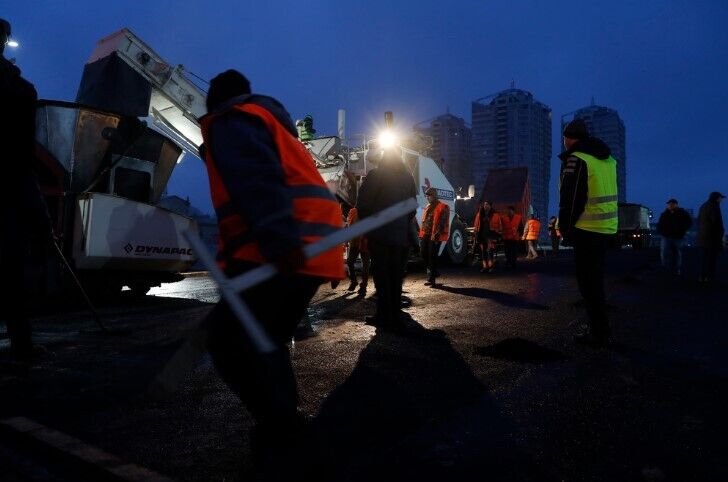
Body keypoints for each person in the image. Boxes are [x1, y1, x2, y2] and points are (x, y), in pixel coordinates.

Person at [199, 69, 344, 468]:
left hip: (283, 250)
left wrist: (280, 245)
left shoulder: (231, 121)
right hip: (313, 248)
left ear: (215, 101)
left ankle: (282, 430)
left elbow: (258, 185)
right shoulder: (268, 123)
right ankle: (285, 427)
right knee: (267, 341)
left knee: (226, 342)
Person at [1, 19, 52, 360]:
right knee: (11, 271)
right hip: (10, 185)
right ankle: (22, 347)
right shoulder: (21, 90)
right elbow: (23, 150)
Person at [559, 119, 618, 347]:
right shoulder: (608, 159)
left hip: (586, 228)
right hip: (605, 228)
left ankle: (599, 333)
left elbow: (571, 200)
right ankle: (599, 328)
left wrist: (566, 229)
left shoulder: (577, 159)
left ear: (568, 138)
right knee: (596, 281)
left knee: (588, 284)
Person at [357, 148, 417, 328]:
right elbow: (412, 207)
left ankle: (384, 315)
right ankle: (395, 313)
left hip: (379, 234)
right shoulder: (408, 177)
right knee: (395, 275)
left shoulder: (376, 174)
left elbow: (363, 204)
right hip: (399, 236)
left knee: (382, 275)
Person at [418, 187, 450, 285]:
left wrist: (437, 233)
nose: (427, 197)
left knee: (432, 256)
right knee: (423, 253)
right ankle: (434, 272)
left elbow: (443, 222)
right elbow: (425, 221)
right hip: (426, 234)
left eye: (429, 196)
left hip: (436, 235)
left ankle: (431, 279)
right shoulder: (428, 206)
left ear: (434, 196)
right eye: (427, 196)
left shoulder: (443, 206)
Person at [656, 198, 692, 276]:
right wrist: (662, 232)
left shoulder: (682, 213)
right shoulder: (664, 214)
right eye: (669, 204)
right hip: (667, 236)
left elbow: (689, 222)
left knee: (677, 253)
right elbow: (659, 225)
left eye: (672, 204)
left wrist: (681, 230)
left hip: (677, 236)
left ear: (676, 205)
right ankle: (665, 268)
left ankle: (676, 269)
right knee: (664, 252)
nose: (670, 205)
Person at [697, 191, 725, 283]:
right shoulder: (714, 207)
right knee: (711, 259)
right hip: (712, 237)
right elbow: (715, 223)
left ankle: (702, 276)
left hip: (704, 236)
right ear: (716, 198)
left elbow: (700, 220)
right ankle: (710, 277)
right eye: (720, 198)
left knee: (705, 258)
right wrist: (720, 233)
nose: (721, 200)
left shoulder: (703, 206)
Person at [345, 206, 370, 294]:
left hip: (365, 240)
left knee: (365, 264)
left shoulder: (368, 210)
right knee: (350, 261)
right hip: (355, 240)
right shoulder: (352, 211)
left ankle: (363, 286)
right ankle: (354, 281)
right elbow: (349, 225)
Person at [473, 200, 502, 272]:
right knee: (483, 252)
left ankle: (491, 266)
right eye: (484, 204)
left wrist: (498, 236)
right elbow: (476, 225)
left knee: (490, 251)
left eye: (487, 204)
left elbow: (499, 226)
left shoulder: (495, 215)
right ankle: (485, 266)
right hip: (481, 235)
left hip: (491, 236)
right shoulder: (479, 214)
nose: (485, 206)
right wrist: (476, 234)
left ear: (490, 206)